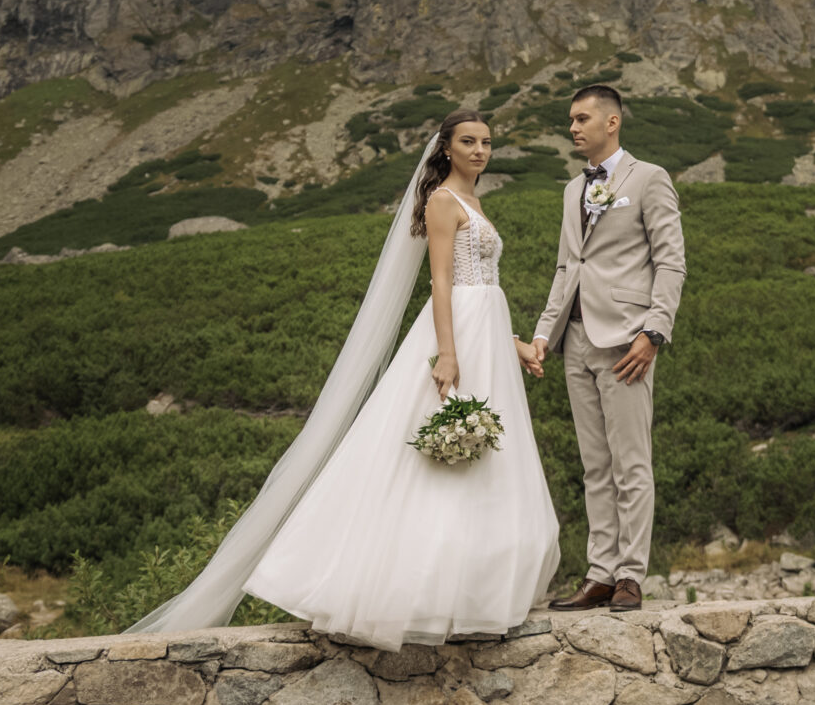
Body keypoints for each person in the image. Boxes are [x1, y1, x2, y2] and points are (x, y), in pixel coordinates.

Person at [121, 110, 559, 642]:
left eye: (486, 142)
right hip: (457, 337)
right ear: (445, 148)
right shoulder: (444, 200)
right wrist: (447, 353)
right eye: (468, 141)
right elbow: (443, 283)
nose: (480, 151)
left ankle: (473, 590)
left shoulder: (474, 202)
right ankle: (410, 590)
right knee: (431, 461)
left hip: (483, 334)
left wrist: (512, 343)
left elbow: (483, 287)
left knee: (486, 460)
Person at [528, 83, 686, 612]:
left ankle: (630, 575)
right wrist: (545, 333)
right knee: (594, 465)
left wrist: (654, 332)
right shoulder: (573, 189)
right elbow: (566, 267)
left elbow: (671, 262)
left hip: (626, 340)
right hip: (575, 340)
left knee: (631, 463)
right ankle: (600, 573)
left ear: (611, 122)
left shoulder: (649, 178)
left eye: (581, 118)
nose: (572, 127)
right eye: (571, 120)